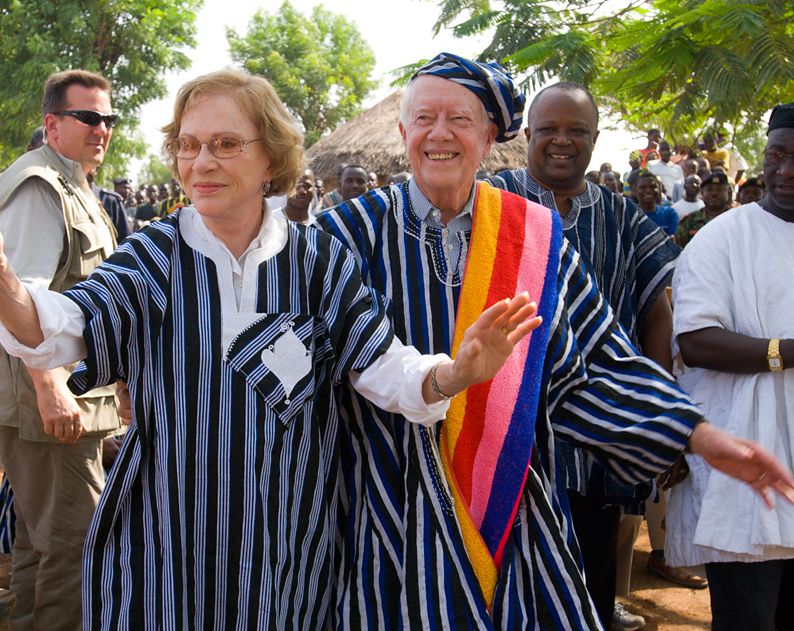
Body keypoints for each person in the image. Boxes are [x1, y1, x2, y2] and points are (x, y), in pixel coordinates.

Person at [0, 68, 544, 630]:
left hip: (287, 549)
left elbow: (387, 368)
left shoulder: (317, 260)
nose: (200, 162)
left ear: (273, 159)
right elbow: (57, 329)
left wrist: (453, 373)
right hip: (166, 547)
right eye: (187, 145)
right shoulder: (155, 257)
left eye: (225, 144)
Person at [316, 53, 794, 630]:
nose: (439, 134)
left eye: (459, 120)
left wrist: (695, 433)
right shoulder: (343, 235)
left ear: (490, 135)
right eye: (424, 118)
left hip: (513, 511)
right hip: (386, 509)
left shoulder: (533, 236)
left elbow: (594, 363)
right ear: (402, 131)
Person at [487, 81, 684, 628]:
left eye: (577, 131)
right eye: (549, 129)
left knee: (591, 582)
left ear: (595, 139)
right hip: (506, 433)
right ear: (528, 134)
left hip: (596, 441)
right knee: (504, 585)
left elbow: (656, 314)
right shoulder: (491, 201)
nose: (561, 141)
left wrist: (649, 412)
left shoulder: (622, 218)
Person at [0, 70, 123, 630]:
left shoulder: (72, 179)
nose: (101, 129)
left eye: (108, 119)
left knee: (38, 539)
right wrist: (52, 387)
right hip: (49, 396)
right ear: (53, 124)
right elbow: (20, 295)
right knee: (76, 547)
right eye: (88, 118)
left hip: (65, 390)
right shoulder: (39, 184)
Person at [667, 102, 794, 631]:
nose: (786, 171)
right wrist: (787, 352)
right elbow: (696, 342)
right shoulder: (723, 236)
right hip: (747, 468)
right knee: (749, 618)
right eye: (777, 155)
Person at [674, 171, 732, 248]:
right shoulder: (689, 221)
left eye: (719, 190)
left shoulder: (736, 219)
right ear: (702, 193)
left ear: (728, 193)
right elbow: (681, 252)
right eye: (709, 190)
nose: (713, 193)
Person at [636, 169, 680, 237]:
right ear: (635, 190)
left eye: (653, 187)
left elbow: (673, 240)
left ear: (660, 189)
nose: (648, 190)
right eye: (643, 187)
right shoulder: (629, 215)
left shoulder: (669, 214)